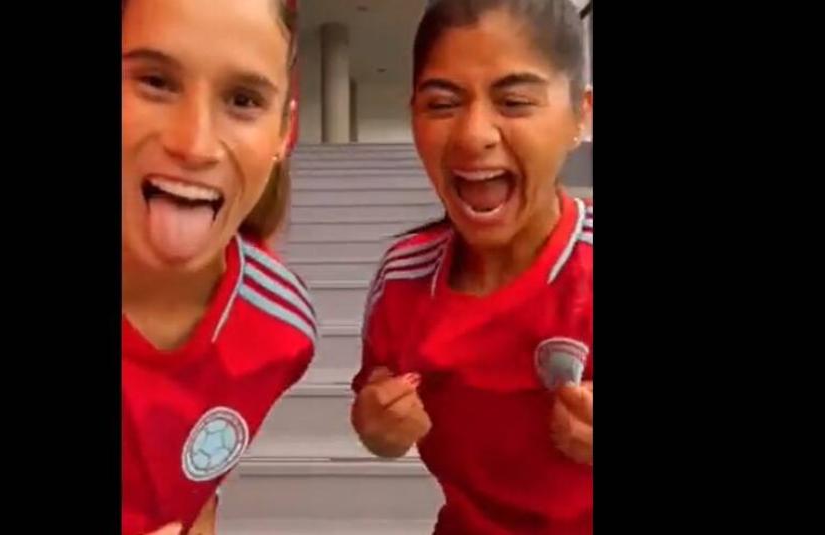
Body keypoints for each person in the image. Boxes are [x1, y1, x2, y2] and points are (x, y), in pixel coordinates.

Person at [350, 0, 593, 533]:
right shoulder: (403, 277)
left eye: (514, 101)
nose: (473, 134)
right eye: (442, 104)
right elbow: (375, 411)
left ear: (580, 115)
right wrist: (378, 427)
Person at [121, 1, 311, 534]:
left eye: (243, 100)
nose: (195, 144)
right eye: (155, 82)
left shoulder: (281, 328)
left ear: (284, 133)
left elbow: (192, 499)